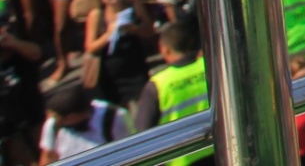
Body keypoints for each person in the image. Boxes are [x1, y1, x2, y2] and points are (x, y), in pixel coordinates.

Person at [131, 21, 210, 165]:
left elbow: (142, 136)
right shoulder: (210, 66)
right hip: (221, 152)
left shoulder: (158, 84)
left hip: (182, 161)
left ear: (165, 50)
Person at [38, 81, 131, 160]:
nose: (50, 120)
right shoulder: (53, 124)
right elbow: (48, 157)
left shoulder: (115, 117)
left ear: (71, 117)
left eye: (56, 118)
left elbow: (129, 150)